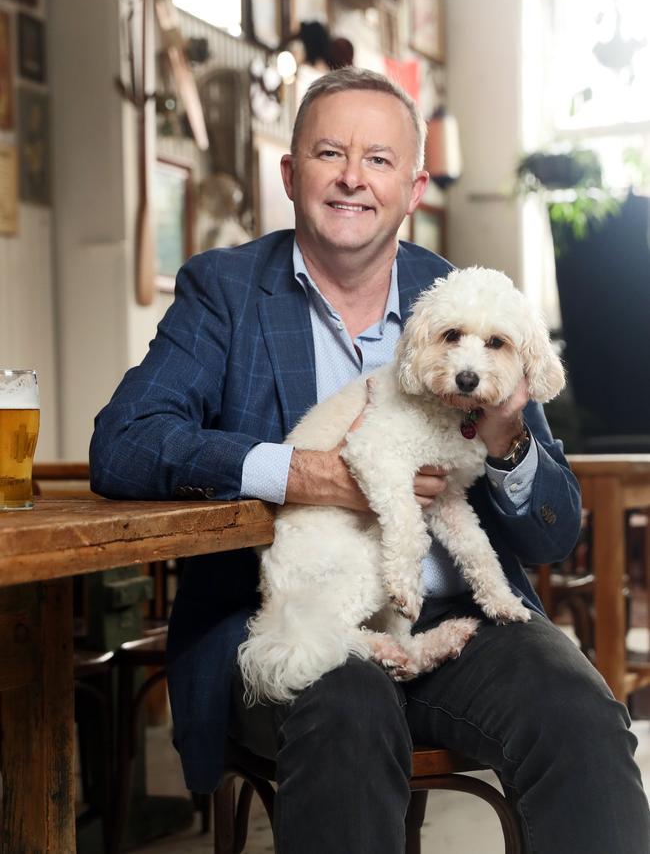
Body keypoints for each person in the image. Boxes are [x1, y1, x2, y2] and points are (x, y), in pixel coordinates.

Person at [90, 68, 650, 853]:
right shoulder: (224, 291)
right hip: (299, 620)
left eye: (380, 159)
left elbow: (555, 530)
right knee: (348, 712)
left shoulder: (464, 306)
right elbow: (124, 441)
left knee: (582, 711)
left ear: (414, 186)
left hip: (460, 626)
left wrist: (508, 440)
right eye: (330, 153)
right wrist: (304, 474)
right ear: (291, 173)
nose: (354, 176)